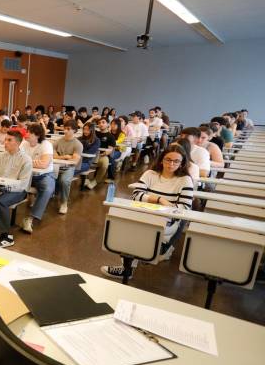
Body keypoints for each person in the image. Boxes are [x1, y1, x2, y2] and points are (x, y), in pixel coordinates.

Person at [101, 144, 194, 279]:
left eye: (176, 161)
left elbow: (184, 209)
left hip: (166, 220)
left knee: (138, 230)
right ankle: (127, 267)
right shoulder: (150, 174)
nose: (171, 164)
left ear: (182, 163)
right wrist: (160, 200)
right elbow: (136, 195)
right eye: (168, 159)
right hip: (143, 214)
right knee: (122, 223)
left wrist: (150, 201)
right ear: (161, 159)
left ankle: (127, 268)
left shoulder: (185, 180)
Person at [20, 123, 54, 233]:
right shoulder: (24, 143)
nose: (27, 134)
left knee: (48, 188)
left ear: (37, 135)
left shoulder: (46, 144)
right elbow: (17, 160)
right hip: (26, 175)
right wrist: (33, 162)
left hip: (43, 176)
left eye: (29, 132)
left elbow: (44, 164)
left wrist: (27, 161)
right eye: (27, 131)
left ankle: (30, 218)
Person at [54, 120, 83, 215]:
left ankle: (64, 203)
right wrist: (65, 157)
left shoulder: (78, 144)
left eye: (68, 129)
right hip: (56, 166)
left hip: (69, 168)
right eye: (64, 128)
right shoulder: (58, 141)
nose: (65, 131)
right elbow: (51, 155)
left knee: (64, 181)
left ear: (74, 130)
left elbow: (74, 161)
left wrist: (60, 157)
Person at [88, 117, 116, 189]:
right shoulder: (95, 133)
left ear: (108, 124)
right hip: (91, 155)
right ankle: (86, 179)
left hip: (102, 156)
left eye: (103, 122)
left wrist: (100, 155)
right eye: (99, 123)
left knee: (105, 162)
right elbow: (86, 125)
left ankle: (95, 181)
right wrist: (93, 117)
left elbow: (109, 150)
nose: (101, 124)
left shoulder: (111, 137)